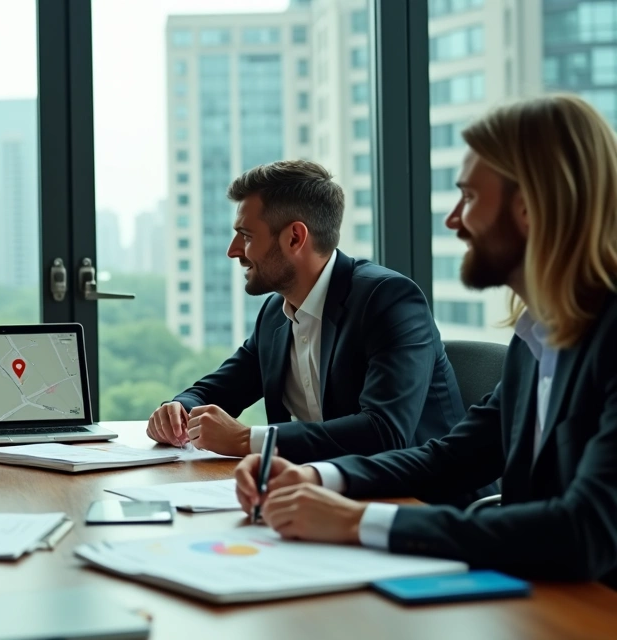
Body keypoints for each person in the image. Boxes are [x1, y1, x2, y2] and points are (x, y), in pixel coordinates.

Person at [234, 95, 617, 587]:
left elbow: (583, 531)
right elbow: (451, 456)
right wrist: (319, 478)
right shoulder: (537, 334)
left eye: (470, 198)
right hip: (532, 598)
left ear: (529, 208)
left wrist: (356, 522)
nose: (453, 219)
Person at [148, 160, 466, 467]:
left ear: (295, 238)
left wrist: (247, 439)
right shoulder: (276, 314)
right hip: (332, 493)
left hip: (426, 503)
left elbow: (385, 432)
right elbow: (215, 390)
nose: (233, 250)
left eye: (245, 236)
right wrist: (178, 410)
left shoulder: (388, 299)